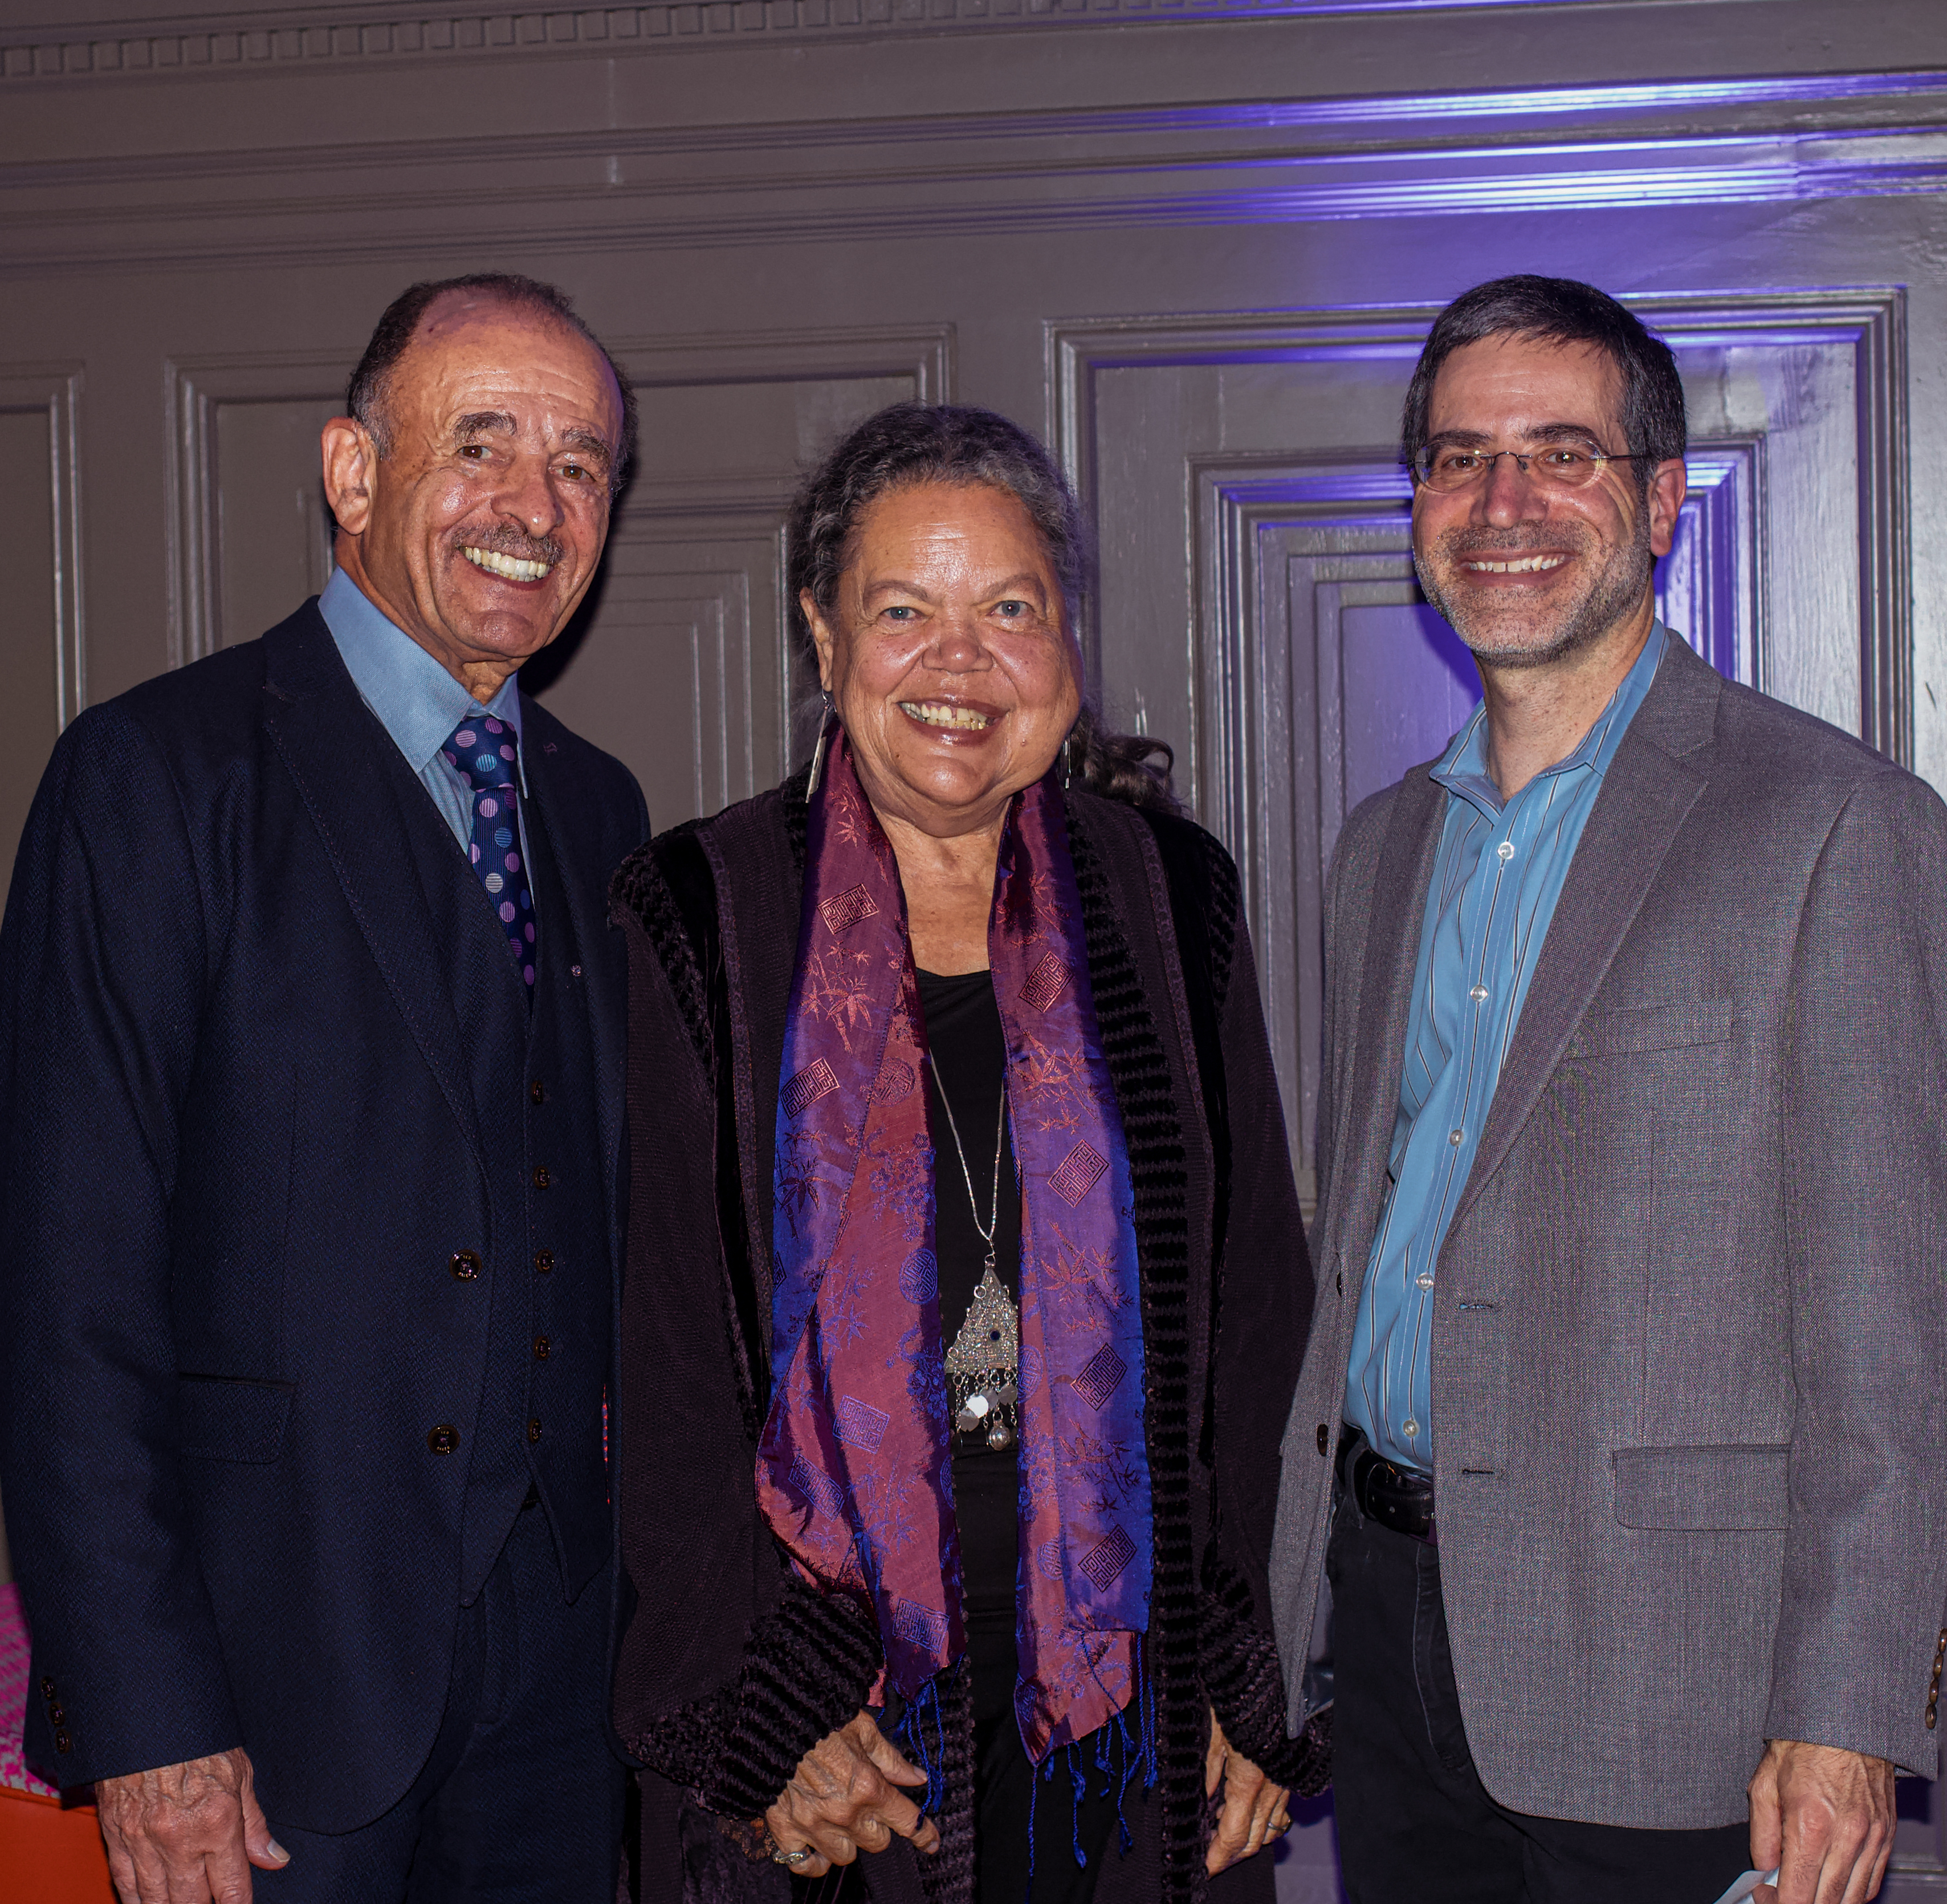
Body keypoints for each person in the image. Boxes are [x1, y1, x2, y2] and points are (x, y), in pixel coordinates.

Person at [1268, 274, 1947, 1904]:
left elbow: (1893, 1331)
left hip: (1674, 1675)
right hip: (1388, 1629)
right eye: (1457, 459)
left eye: (1560, 454)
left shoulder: (1835, 825)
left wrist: (1846, 1707)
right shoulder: (1382, 849)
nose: (1503, 505)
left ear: (1660, 504)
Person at [609, 401, 1325, 1903]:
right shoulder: (701, 915)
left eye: (1009, 607)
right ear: (822, 635)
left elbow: (1257, 1319)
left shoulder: (1168, 897)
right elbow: (658, 1379)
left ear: (1069, 637)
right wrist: (769, 1716)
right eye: (902, 610)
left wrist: (1240, 1672)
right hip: (837, 1706)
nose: (958, 661)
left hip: (1131, 1697)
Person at [0, 272, 649, 1902]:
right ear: (353, 473)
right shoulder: (155, 778)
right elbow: (62, 1294)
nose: (536, 503)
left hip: (558, 1691)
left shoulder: (598, 809)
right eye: (482, 442)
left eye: (582, 465)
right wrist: (152, 1721)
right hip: (264, 1694)